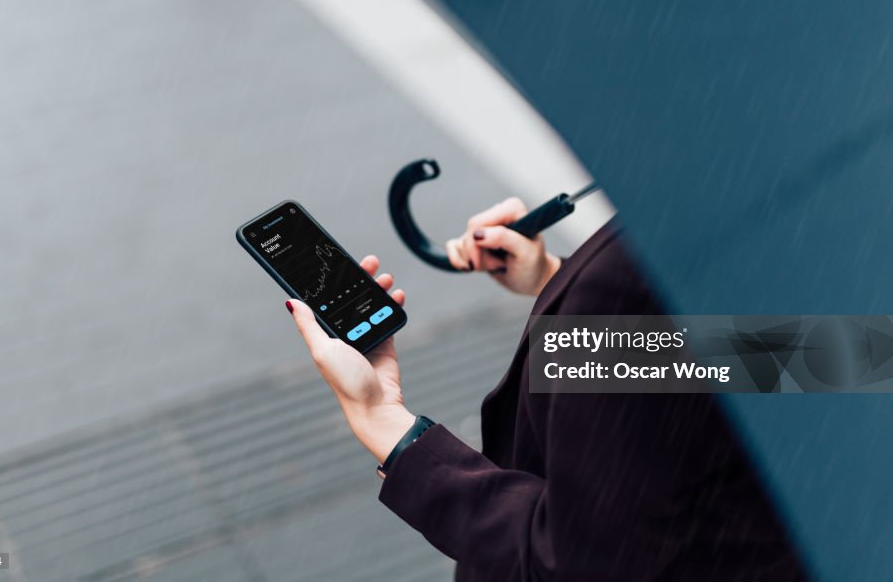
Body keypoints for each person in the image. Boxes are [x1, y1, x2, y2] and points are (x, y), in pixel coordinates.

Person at [285, 198, 808, 581]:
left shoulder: (667, 246)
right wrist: (557, 280)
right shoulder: (830, 217)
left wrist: (388, 425)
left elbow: (571, 565)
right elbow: (814, 356)